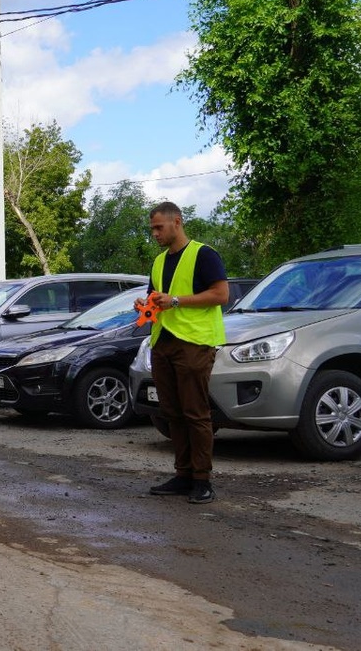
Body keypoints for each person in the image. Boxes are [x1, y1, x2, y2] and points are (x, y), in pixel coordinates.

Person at [142, 201, 228, 504]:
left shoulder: (203, 254)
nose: (154, 233)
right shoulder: (158, 261)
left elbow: (221, 294)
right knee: (172, 413)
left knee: (195, 413)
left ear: (176, 222)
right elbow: (157, 298)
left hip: (194, 342)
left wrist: (176, 301)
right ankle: (183, 475)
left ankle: (202, 480)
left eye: (158, 227)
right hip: (162, 342)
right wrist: (146, 306)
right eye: (152, 228)